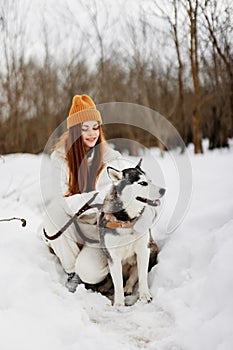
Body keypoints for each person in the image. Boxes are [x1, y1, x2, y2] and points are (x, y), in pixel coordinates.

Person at [41, 94, 157, 293]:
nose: (91, 133)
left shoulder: (112, 158)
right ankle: (71, 271)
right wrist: (100, 195)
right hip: (74, 223)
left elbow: (127, 197)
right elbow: (62, 203)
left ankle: (92, 271)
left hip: (102, 229)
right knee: (52, 213)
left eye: (95, 127)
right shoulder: (59, 158)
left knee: (89, 272)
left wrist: (145, 214)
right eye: (84, 128)